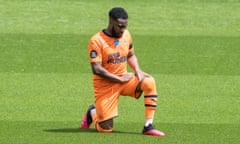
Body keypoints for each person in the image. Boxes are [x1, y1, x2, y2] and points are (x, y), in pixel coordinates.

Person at [80, 7, 165, 137]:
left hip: (124, 80)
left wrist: (138, 70)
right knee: (106, 129)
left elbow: (130, 55)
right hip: (106, 86)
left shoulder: (126, 35)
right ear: (111, 22)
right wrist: (119, 79)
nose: (123, 30)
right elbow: (96, 69)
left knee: (149, 81)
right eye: (120, 26)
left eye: (125, 26)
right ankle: (92, 112)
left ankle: (148, 126)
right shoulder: (96, 40)